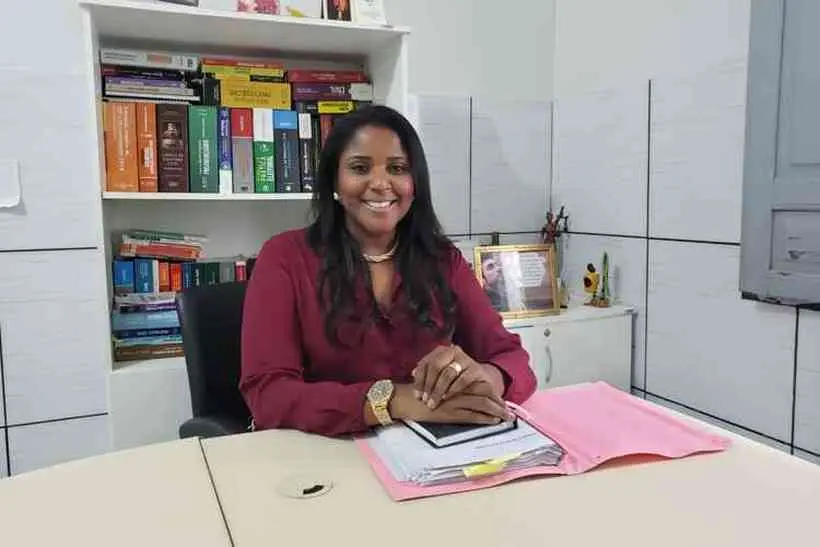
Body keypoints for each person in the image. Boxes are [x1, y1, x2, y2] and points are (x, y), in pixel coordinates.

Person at [239, 105, 536, 437]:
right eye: (360, 168)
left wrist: (485, 379)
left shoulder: (442, 259)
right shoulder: (284, 257)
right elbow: (268, 395)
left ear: (415, 182)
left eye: (397, 168)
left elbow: (511, 358)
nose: (381, 184)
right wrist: (392, 400)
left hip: (428, 448)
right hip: (323, 449)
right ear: (334, 179)